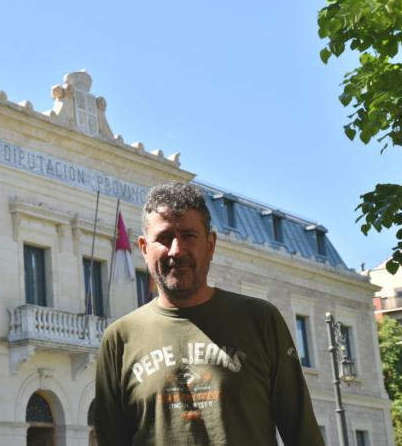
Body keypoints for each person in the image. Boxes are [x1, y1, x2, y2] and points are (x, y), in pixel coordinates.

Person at [95, 181, 324, 445]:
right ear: (144, 248)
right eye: (164, 237)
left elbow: (303, 433)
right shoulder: (119, 340)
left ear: (211, 243)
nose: (177, 250)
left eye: (189, 236)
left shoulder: (260, 321)